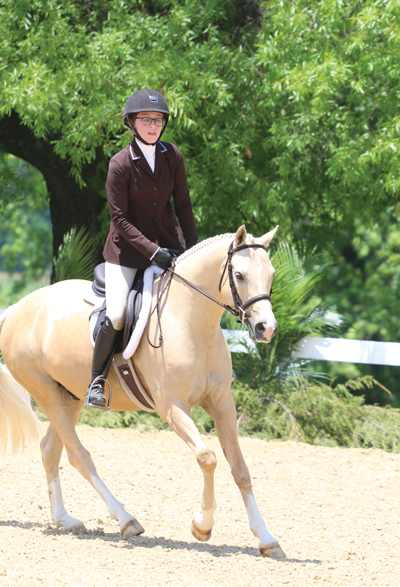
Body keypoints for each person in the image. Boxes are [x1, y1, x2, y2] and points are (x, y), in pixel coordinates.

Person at [87, 89, 199, 408]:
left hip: (169, 246)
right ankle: (97, 379)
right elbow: (119, 218)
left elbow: (184, 205)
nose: (153, 125)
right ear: (131, 123)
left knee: (197, 297)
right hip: (126, 254)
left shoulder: (172, 156)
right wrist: (152, 252)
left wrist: (194, 248)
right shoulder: (120, 164)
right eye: (146, 120)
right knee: (119, 313)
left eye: (159, 120)